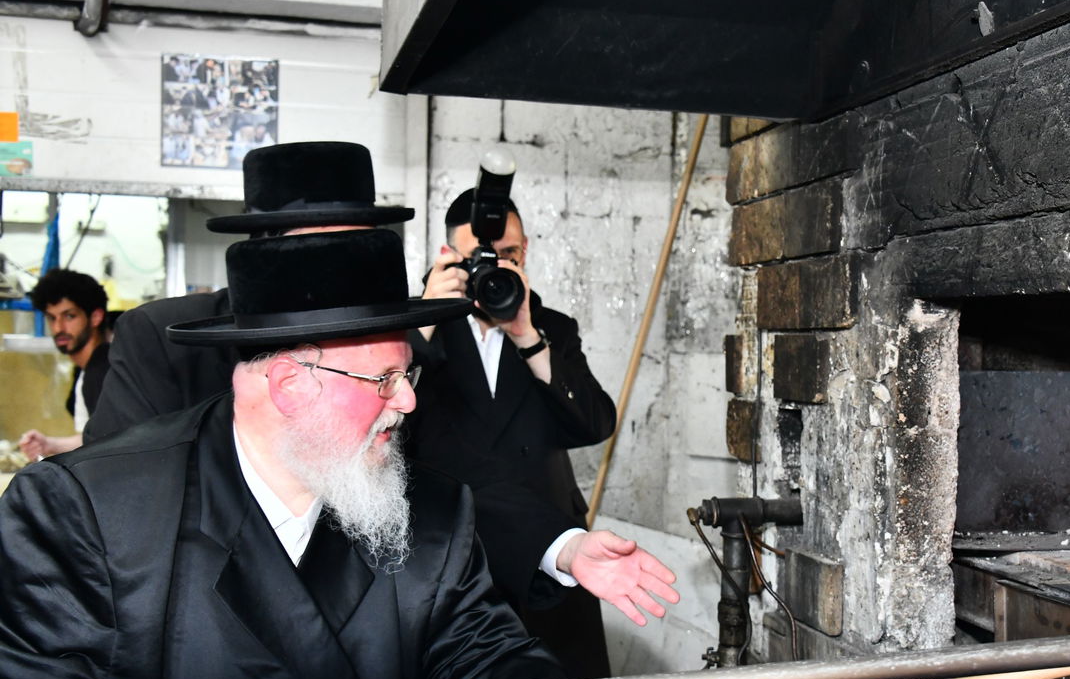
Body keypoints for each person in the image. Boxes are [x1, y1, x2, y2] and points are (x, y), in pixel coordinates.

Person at [0, 229, 682, 679]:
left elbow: (482, 660)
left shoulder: (432, 511)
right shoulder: (89, 510)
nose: (409, 402)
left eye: (408, 374)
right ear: (292, 384)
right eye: (384, 380)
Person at [84, 141, 678, 623]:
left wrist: (563, 546)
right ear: (262, 248)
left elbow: (450, 474)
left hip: (354, 632)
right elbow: (119, 495)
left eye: (351, 243)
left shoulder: (394, 346)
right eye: (313, 245)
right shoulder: (161, 339)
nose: (335, 265)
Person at [412, 187, 622, 679]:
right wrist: (424, 323)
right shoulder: (416, 335)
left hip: (553, 580)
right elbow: (387, 436)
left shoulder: (548, 325)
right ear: (448, 258)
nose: (495, 269)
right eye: (480, 259)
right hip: (450, 579)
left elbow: (593, 421)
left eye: (509, 255)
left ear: (525, 256)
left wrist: (529, 335)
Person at [18, 269, 110, 461]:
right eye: (52, 318)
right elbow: (94, 439)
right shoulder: (86, 372)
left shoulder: (106, 371)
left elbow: (113, 447)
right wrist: (50, 445)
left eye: (69, 316)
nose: (58, 328)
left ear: (95, 317)